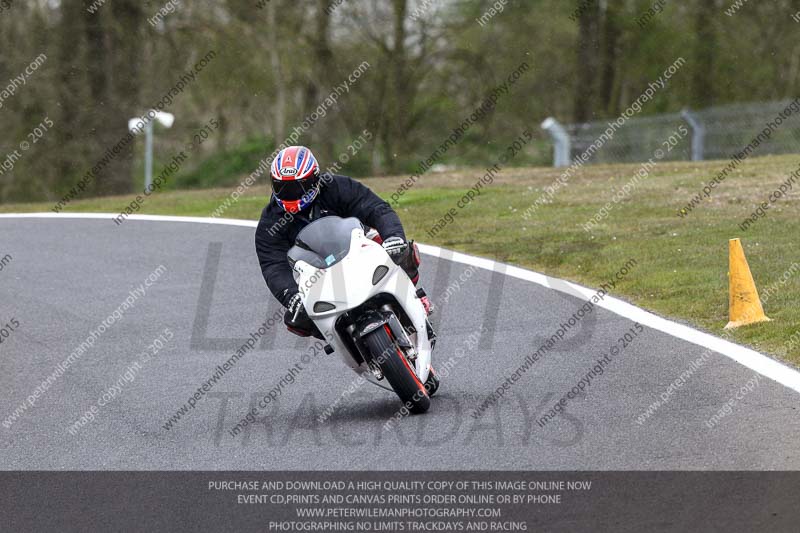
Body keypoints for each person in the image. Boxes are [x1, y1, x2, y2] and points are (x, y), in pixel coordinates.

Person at [255, 145, 432, 337]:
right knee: (296, 319)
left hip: (356, 246)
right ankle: (342, 337)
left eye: (297, 186)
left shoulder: (335, 186)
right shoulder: (270, 222)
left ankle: (413, 296)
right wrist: (291, 295)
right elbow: (273, 265)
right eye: (282, 187)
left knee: (400, 250)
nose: (291, 194)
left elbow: (376, 208)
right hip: (314, 272)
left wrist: (393, 237)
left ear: (314, 179)